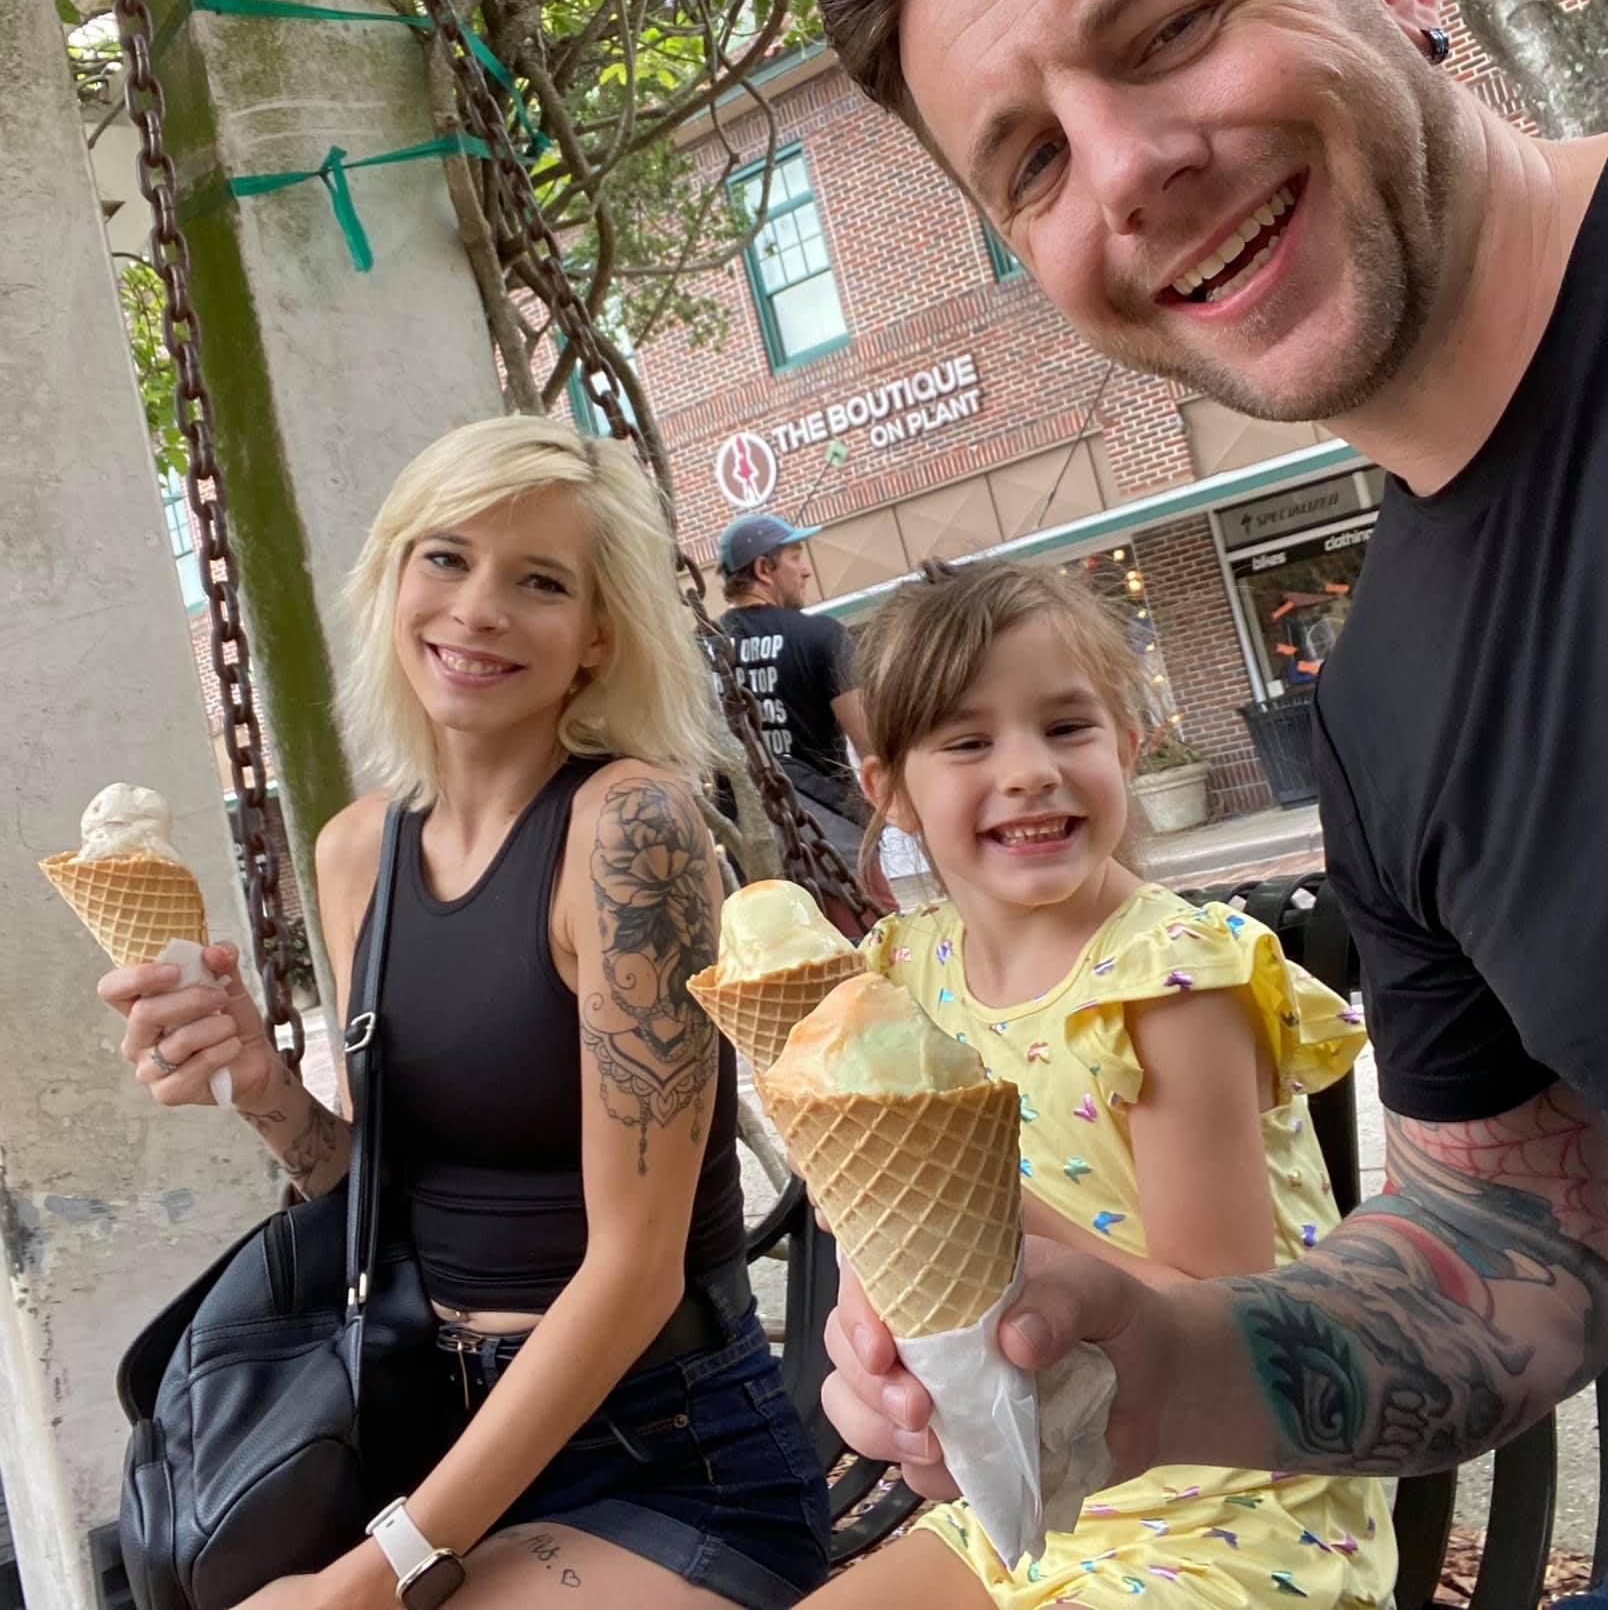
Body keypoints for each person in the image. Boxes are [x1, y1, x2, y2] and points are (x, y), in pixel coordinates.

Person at [803, 0, 1608, 1607]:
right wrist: (1155, 1351)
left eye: (1164, 33)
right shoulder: (1381, 716)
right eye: (1034, 159)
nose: (1129, 169)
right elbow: (1510, 1231)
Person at [100, 417, 831, 1610]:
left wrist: (369, 1575)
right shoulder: (353, 853)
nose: (478, 607)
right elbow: (376, 1197)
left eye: (538, 580)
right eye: (446, 557)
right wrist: (265, 1086)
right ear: (394, 576)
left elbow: (637, 1267)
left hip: (660, 1451)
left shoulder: (628, 828)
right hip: (418, 1430)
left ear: (598, 634)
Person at [799, 559, 1392, 1610]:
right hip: (1029, 1484)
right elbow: (879, 1272)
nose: (1027, 770)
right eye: (968, 740)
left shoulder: (1172, 977)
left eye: (1065, 727)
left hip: (1231, 1496)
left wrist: (970, 1190)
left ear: (1127, 740)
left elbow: (1224, 1316)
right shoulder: (899, 974)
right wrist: (874, 1365)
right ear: (889, 787)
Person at [718, 512, 870, 868]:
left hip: (746, 851)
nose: (805, 570)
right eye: (795, 557)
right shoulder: (822, 636)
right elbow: (871, 743)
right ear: (763, 570)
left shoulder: (702, 649)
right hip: (832, 842)